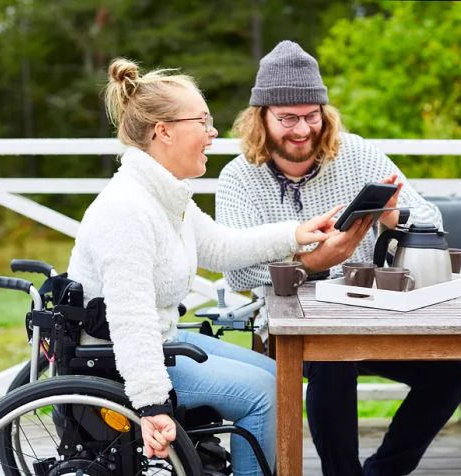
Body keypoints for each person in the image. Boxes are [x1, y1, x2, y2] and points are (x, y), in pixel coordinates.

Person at [66, 57, 341, 476]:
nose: (213, 133)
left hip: (162, 338)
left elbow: (220, 246)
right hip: (120, 359)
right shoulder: (127, 210)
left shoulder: (163, 194)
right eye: (203, 121)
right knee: (267, 393)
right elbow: (130, 320)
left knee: (278, 375)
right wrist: (153, 405)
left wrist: (297, 233)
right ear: (164, 131)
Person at [216, 40, 461, 476]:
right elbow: (237, 270)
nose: (302, 129)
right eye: (288, 119)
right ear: (261, 118)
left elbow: (432, 217)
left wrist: (395, 216)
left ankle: (381, 472)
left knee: (452, 376)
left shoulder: (355, 153)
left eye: (312, 115)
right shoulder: (238, 177)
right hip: (290, 321)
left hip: (372, 311)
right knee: (333, 361)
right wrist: (311, 264)